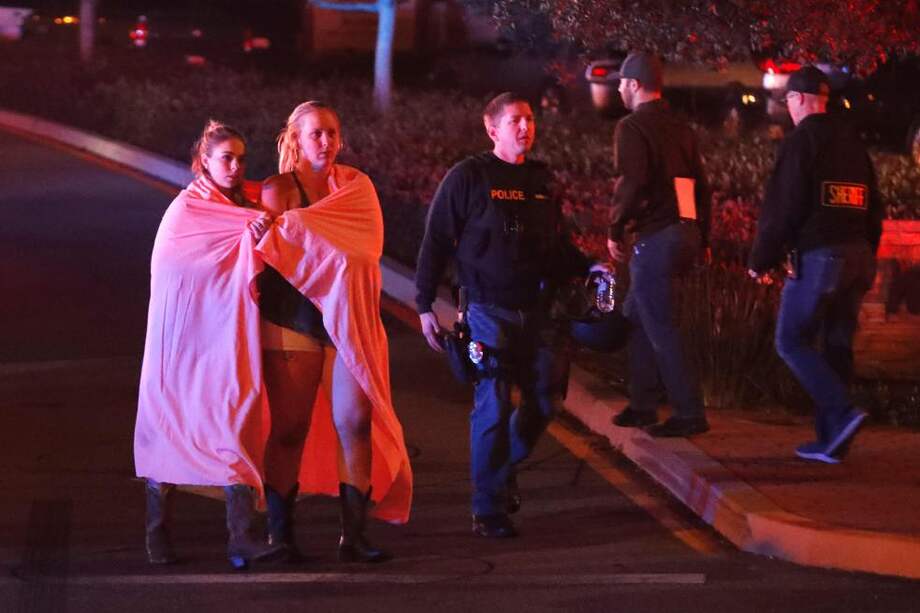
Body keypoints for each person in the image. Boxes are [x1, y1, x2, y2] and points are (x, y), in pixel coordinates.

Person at [415, 92, 599, 538]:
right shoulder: (469, 177)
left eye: (530, 119)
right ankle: (488, 507)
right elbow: (437, 238)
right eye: (515, 120)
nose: (525, 127)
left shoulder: (541, 180)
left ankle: (502, 467)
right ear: (491, 127)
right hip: (486, 310)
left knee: (544, 404)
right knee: (493, 406)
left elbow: (555, 247)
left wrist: (588, 266)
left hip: (537, 312)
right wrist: (423, 304)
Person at [256, 101, 413, 562]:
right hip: (293, 320)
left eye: (332, 132)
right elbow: (275, 255)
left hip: (350, 321)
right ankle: (281, 536)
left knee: (355, 423)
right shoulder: (279, 189)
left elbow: (367, 252)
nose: (325, 141)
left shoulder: (357, 188)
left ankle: (354, 536)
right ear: (296, 139)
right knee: (289, 429)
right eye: (316, 134)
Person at [134, 120, 285, 569]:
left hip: (227, 335)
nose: (236, 167)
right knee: (170, 424)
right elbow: (174, 269)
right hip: (180, 340)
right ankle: (156, 535)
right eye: (227, 158)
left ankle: (242, 538)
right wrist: (248, 235)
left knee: (235, 418)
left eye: (241, 158)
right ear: (204, 162)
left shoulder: (247, 207)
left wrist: (255, 238)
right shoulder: (188, 211)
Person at [748, 66, 883, 464]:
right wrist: (866, 250)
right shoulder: (853, 142)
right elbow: (875, 206)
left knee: (790, 340)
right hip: (859, 256)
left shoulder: (801, 141)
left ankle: (841, 412)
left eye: (788, 100)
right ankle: (831, 441)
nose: (788, 107)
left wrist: (760, 260)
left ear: (801, 100)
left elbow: (784, 207)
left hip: (822, 257)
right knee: (837, 345)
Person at [606, 51, 712, 438]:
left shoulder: (632, 127)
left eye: (621, 82)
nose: (618, 88)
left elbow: (631, 182)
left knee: (661, 326)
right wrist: (703, 235)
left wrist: (615, 229)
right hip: (685, 233)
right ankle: (642, 404)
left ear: (634, 85)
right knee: (639, 316)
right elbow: (700, 184)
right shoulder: (680, 128)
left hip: (656, 238)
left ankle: (689, 412)